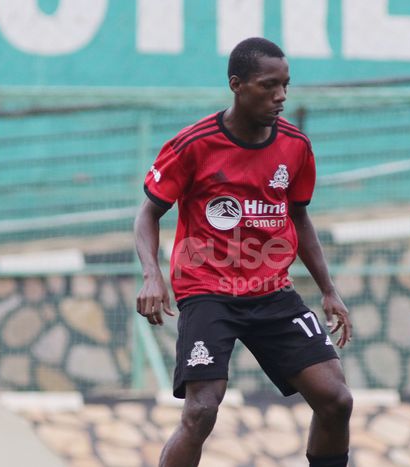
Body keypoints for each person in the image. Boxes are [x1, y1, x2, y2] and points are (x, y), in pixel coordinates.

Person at [134, 37, 353, 467]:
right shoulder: (194, 144)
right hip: (208, 291)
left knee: (336, 400)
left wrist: (329, 289)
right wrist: (152, 274)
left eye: (285, 85)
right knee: (201, 410)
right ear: (236, 85)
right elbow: (147, 214)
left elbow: (299, 217)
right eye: (269, 86)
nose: (281, 96)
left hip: (272, 293)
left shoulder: (295, 146)